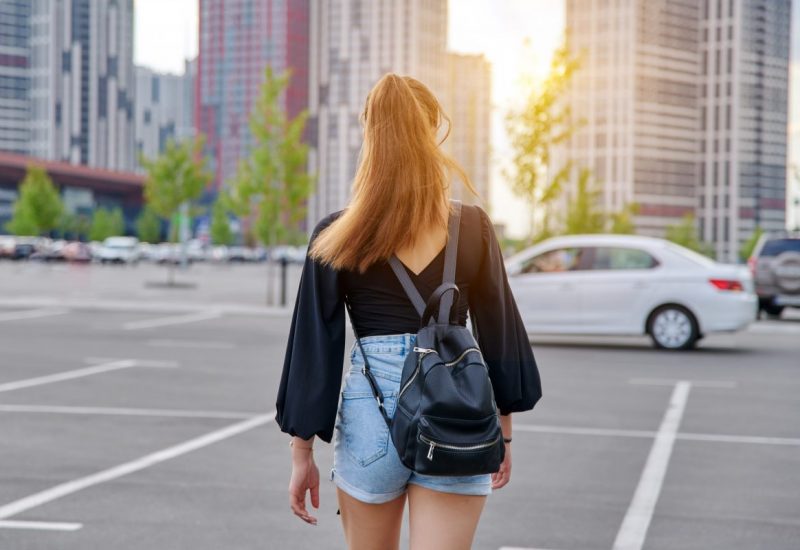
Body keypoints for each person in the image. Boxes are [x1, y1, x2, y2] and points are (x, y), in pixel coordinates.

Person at [276, 73, 542, 550]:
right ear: (433, 130)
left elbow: (314, 348)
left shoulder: (338, 233)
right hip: (456, 410)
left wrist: (302, 454)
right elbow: (501, 333)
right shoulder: (474, 227)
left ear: (369, 135)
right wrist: (503, 432)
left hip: (371, 414)